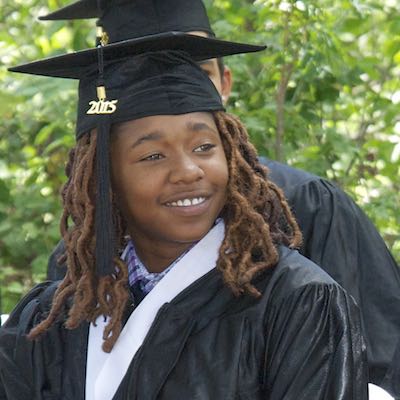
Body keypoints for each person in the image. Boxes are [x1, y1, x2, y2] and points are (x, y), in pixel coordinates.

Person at [0, 7, 368, 399]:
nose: (189, 171)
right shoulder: (55, 317)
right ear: (104, 180)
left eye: (205, 147)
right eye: (153, 156)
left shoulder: (296, 304)